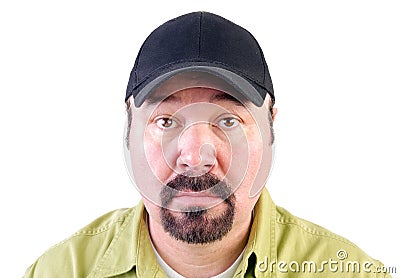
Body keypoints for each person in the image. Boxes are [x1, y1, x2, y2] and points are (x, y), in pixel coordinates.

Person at [24, 11, 390, 278]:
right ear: (130, 129)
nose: (195, 157)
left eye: (228, 122)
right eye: (165, 121)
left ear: (270, 129)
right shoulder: (60, 272)